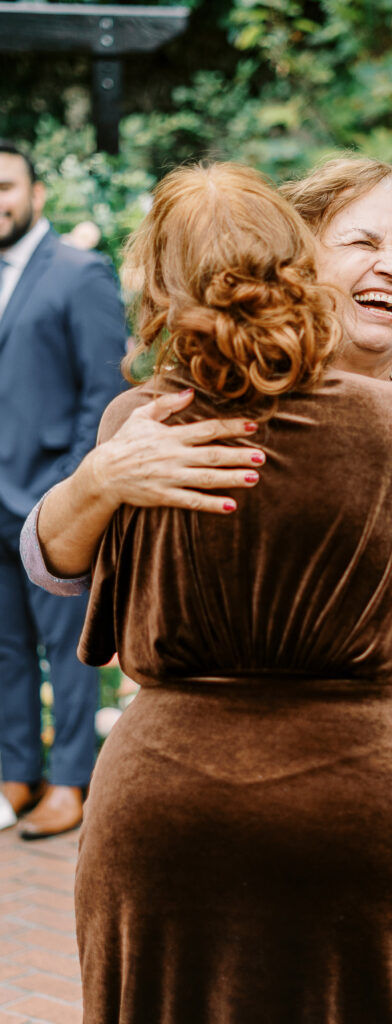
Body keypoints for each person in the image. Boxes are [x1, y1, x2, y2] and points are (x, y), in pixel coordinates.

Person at [21, 157, 392, 1021]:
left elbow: (105, 628)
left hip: (168, 796)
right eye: (365, 242)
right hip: (364, 800)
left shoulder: (151, 418)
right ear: (297, 262)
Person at [0, 140, 127, 839]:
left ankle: (71, 784)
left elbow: (103, 392)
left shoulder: (80, 272)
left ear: (36, 192)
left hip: (52, 503)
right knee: (5, 648)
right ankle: (16, 775)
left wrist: (74, 494)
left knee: (68, 649)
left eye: (5, 186)